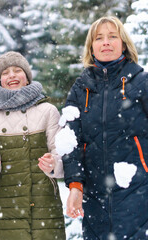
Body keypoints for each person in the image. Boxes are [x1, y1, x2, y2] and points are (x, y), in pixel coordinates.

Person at [63, 16, 148, 239]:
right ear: (91, 47)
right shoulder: (81, 88)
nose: (106, 42)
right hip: (95, 197)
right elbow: (70, 140)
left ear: (123, 43)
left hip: (138, 192)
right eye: (99, 38)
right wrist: (75, 185)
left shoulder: (141, 83)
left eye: (112, 36)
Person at [0, 51, 66, 240]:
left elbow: (61, 153)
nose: (11, 75)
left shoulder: (47, 110)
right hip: (6, 205)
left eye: (17, 70)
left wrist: (54, 164)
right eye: (5, 72)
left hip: (44, 203)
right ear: (0, 81)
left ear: (27, 77)